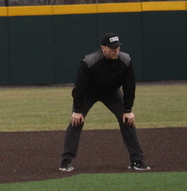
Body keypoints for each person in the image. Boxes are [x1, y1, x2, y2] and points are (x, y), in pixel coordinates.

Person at [60, 33, 150, 172]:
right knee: (76, 122)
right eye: (112, 48)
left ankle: (136, 160)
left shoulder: (125, 61)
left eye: (118, 47)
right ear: (103, 48)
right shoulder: (89, 62)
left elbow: (129, 86)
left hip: (112, 93)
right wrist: (77, 111)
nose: (116, 50)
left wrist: (128, 110)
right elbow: (79, 87)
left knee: (127, 120)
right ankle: (66, 161)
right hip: (89, 93)